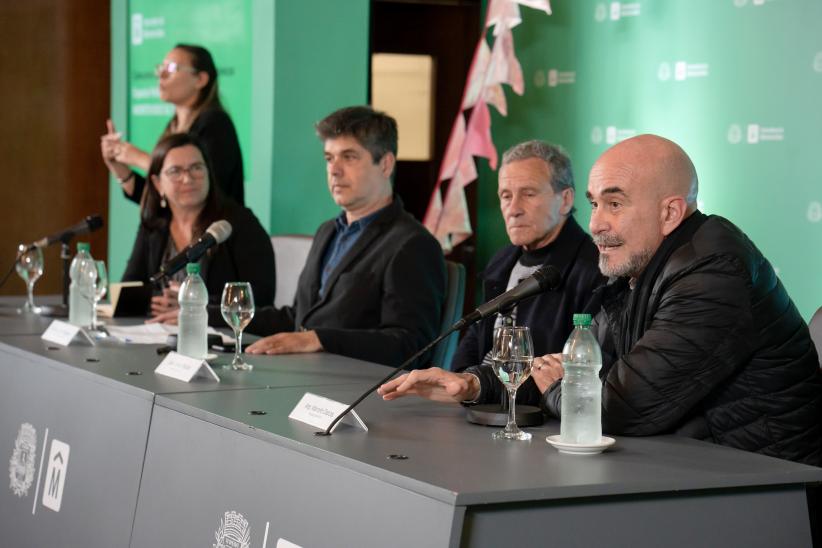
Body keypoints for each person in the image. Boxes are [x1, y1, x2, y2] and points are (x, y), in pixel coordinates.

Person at [379, 134, 822, 466]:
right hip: (693, 464)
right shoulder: (640, 266)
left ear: (669, 213)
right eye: (594, 204)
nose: (596, 224)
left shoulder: (713, 271)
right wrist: (475, 385)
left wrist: (559, 384)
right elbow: (579, 367)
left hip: (765, 485)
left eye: (615, 204)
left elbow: (618, 405)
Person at [245, 106, 446, 367]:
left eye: (349, 157)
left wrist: (321, 339)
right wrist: (206, 314)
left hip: (360, 395)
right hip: (303, 379)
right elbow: (299, 319)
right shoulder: (327, 231)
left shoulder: (413, 245)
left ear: (385, 164)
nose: (335, 170)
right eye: (329, 158)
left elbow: (410, 345)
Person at [449, 140, 603, 406]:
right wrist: (460, 382)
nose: (514, 208)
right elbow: (476, 337)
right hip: (482, 402)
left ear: (565, 199)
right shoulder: (502, 260)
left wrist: (475, 386)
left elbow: (562, 369)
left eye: (529, 194)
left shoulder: (594, 268)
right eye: (506, 196)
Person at [122, 133, 274, 326]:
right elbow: (132, 288)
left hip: (220, 339)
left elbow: (260, 298)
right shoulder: (154, 225)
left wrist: (194, 306)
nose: (187, 178)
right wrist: (158, 301)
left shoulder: (238, 223)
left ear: (209, 173)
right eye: (176, 171)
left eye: (196, 168)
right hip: (160, 333)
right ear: (158, 183)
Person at [101, 44, 245, 206]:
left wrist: (140, 158)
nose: (161, 74)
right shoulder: (173, 126)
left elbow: (199, 189)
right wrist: (120, 169)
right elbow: (159, 200)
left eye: (171, 68)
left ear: (200, 79)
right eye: (161, 67)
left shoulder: (215, 124)